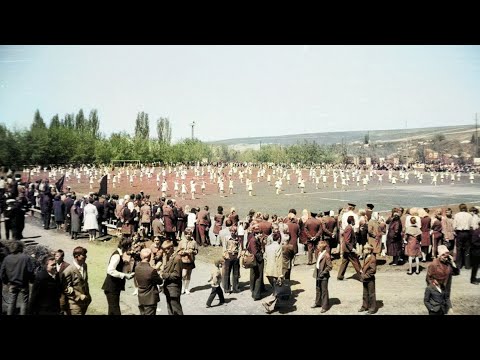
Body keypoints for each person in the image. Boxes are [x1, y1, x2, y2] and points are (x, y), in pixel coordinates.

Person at [101, 237, 135, 315]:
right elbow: (110, 270)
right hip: (111, 287)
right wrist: (125, 275)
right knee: (115, 310)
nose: (131, 248)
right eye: (130, 246)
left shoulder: (120, 255)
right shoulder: (116, 256)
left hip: (115, 287)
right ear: (126, 246)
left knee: (112, 311)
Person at [0, 241, 35, 315]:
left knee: (11, 302)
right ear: (20, 248)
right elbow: (31, 271)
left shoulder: (7, 258)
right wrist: (31, 280)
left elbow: (2, 272)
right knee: (24, 303)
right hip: (24, 284)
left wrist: (6, 282)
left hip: (12, 284)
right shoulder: (26, 258)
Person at [426, 245, 459, 314]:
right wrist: (434, 289)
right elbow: (428, 278)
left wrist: (453, 262)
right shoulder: (433, 264)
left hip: (446, 290)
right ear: (439, 255)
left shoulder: (449, 263)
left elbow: (456, 273)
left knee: (446, 310)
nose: (446, 258)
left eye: (447, 256)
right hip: (436, 293)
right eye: (443, 255)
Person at [61, 246, 91, 315]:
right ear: (76, 256)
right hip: (74, 305)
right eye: (83, 255)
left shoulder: (84, 265)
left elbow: (84, 282)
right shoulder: (68, 271)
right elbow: (65, 288)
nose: (86, 257)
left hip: (85, 302)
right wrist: (79, 296)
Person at [134, 248, 163, 315]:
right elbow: (160, 281)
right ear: (150, 257)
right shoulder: (151, 270)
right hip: (150, 299)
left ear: (141, 256)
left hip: (141, 297)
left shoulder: (137, 267)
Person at [160, 240, 183, 315]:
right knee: (170, 309)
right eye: (164, 249)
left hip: (174, 288)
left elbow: (177, 275)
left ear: (171, 248)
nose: (165, 251)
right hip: (168, 288)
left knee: (176, 310)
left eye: (166, 249)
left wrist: (164, 275)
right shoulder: (169, 257)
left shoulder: (177, 258)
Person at [311, 241, 332, 313]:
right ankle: (318, 302)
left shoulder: (326, 255)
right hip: (318, 274)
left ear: (321, 247)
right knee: (318, 289)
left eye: (318, 246)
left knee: (324, 291)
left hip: (323, 276)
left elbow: (330, 266)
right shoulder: (319, 253)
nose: (317, 247)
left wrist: (323, 273)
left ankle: (325, 306)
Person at [177, 227, 199, 294]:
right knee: (183, 274)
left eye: (189, 234)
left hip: (190, 260)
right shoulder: (181, 242)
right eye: (187, 234)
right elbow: (178, 251)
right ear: (184, 234)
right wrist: (182, 252)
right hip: (183, 260)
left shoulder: (194, 242)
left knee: (189, 274)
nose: (188, 235)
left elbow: (196, 251)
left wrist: (192, 251)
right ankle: (182, 288)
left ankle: (187, 288)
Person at [358, 243, 377, 314]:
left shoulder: (372, 258)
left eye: (365, 249)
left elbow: (373, 270)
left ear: (369, 250)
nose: (363, 250)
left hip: (370, 279)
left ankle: (372, 308)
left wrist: (364, 275)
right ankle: (364, 306)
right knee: (365, 293)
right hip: (365, 278)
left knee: (371, 294)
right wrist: (362, 270)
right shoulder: (366, 256)